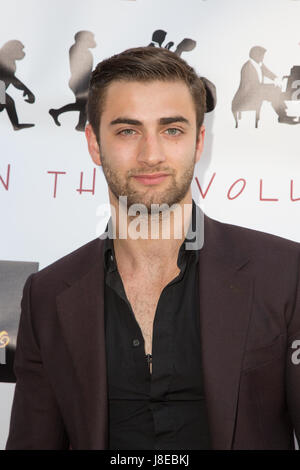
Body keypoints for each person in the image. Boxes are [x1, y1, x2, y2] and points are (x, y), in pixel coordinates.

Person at [5, 46, 300, 450]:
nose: (151, 154)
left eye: (171, 130)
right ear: (93, 144)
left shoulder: (285, 274)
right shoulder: (47, 294)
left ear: (198, 143)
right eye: (127, 131)